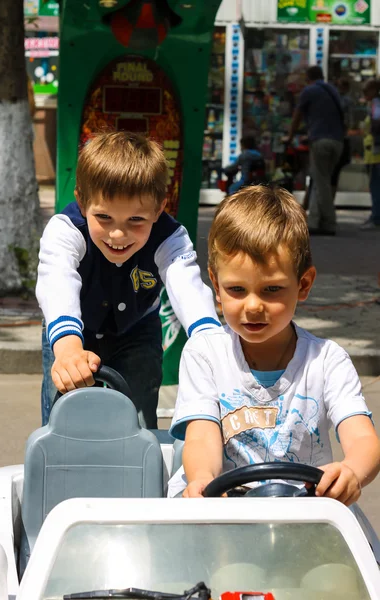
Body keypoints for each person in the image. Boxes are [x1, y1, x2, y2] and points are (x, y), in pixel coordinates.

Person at [168, 185, 380, 504]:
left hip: (303, 511)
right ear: (216, 284)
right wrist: (203, 479)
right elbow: (201, 437)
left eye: (271, 290)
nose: (253, 306)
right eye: (237, 289)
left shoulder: (327, 360)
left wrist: (351, 471)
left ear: (303, 284)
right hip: (224, 508)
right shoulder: (205, 354)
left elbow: (363, 437)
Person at [36, 131, 222, 428]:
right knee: (64, 417)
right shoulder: (65, 231)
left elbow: (187, 286)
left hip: (136, 330)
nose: (118, 234)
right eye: (104, 218)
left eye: (136, 220)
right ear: (82, 203)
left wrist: (210, 339)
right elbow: (56, 279)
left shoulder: (170, 237)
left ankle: (137, 466)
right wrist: (68, 346)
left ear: (159, 208)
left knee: (137, 416)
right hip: (72, 330)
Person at [286, 65, 344, 236]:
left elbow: (297, 116)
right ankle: (315, 221)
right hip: (338, 141)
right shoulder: (332, 90)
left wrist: (290, 136)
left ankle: (329, 222)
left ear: (308, 78)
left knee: (321, 182)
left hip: (321, 141)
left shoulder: (309, 91)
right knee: (321, 180)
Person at [360, 78, 380, 230]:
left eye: (366, 91)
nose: (364, 94)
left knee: (375, 185)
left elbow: (376, 123)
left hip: (375, 153)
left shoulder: (376, 104)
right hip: (373, 152)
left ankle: (376, 217)